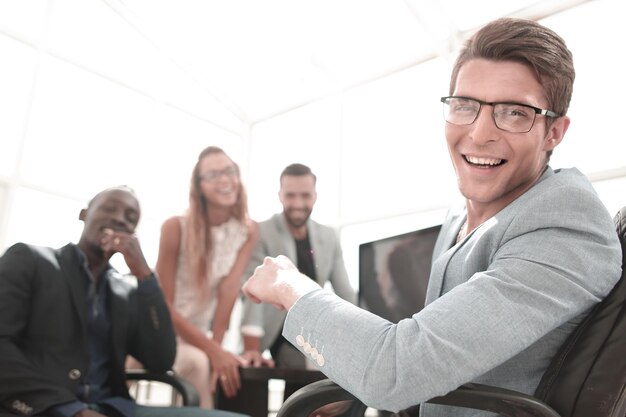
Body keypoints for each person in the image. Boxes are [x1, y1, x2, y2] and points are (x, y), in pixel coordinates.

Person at [242, 17, 623, 417]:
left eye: (514, 113)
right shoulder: (464, 215)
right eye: (465, 106)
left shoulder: (566, 224)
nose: (478, 134)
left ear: (554, 132)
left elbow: (395, 371)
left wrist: (289, 284)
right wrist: (352, 378)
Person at [0, 185, 245, 417]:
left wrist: (146, 278)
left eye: (130, 217)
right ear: (84, 214)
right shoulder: (30, 260)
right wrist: (70, 409)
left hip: (114, 408)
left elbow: (160, 359)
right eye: (109, 208)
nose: (120, 219)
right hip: (46, 407)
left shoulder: (124, 292)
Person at [240, 163, 356, 398]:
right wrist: (251, 347)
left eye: (305, 195)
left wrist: (355, 334)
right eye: (290, 195)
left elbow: (345, 293)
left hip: (316, 322)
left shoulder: (328, 236)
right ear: (280, 195)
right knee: (299, 368)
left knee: (346, 377)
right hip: (279, 328)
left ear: (315, 196)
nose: (298, 204)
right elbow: (252, 287)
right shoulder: (261, 231)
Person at [155, 146, 258, 408]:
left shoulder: (248, 231)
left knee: (222, 367)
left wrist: (217, 347)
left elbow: (229, 290)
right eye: (213, 175)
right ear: (198, 186)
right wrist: (212, 351)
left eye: (229, 171)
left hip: (198, 336)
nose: (224, 179)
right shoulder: (174, 227)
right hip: (156, 330)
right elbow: (161, 305)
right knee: (199, 362)